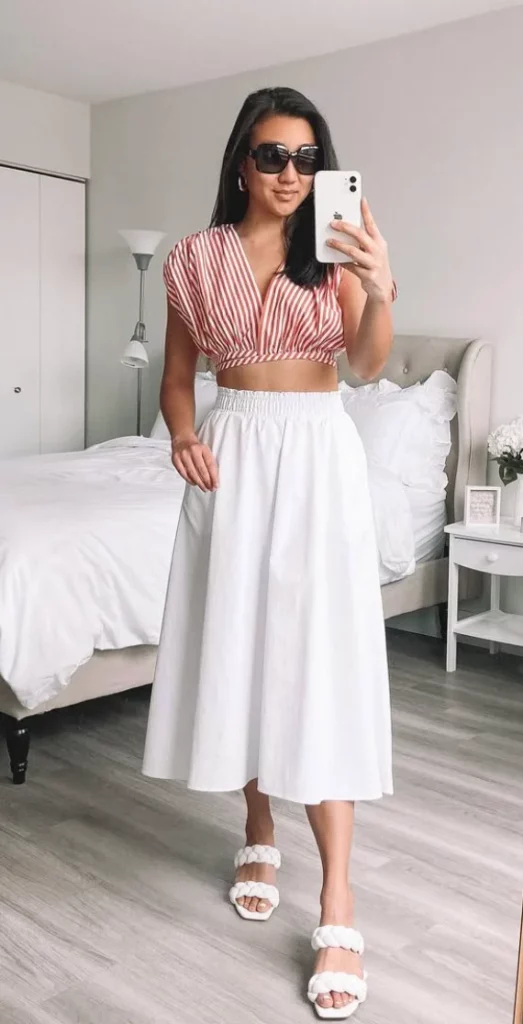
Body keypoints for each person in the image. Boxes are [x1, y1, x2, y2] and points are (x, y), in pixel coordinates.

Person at [143, 86, 395, 1019]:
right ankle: (256, 826)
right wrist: (179, 435)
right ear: (240, 163)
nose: (290, 174)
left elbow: (367, 365)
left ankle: (336, 899)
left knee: (316, 667)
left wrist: (381, 281)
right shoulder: (193, 258)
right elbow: (177, 381)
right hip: (233, 453)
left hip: (318, 455)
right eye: (271, 156)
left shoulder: (336, 247)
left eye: (305, 158)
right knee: (239, 649)